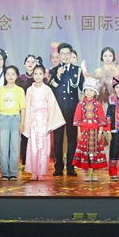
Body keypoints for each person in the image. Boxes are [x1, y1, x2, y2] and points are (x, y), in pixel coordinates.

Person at [23, 64, 66, 181]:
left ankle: (41, 172)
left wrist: (50, 122)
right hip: (33, 121)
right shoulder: (29, 90)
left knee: (43, 147)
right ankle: (33, 172)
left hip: (44, 121)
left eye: (40, 74)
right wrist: (27, 123)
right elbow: (27, 107)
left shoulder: (47, 89)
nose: (38, 76)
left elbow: (52, 106)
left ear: (44, 75)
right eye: (35, 74)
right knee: (33, 146)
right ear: (32, 75)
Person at [49, 43, 85, 177]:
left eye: (67, 53)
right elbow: (51, 88)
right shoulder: (54, 70)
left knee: (72, 138)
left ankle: (71, 166)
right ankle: (58, 167)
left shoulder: (77, 70)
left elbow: (83, 87)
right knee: (57, 139)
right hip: (58, 109)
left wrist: (81, 101)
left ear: (71, 55)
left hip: (72, 109)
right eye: (62, 53)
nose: (65, 56)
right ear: (59, 55)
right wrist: (58, 76)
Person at [72, 78, 108, 181]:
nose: (88, 92)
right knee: (85, 151)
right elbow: (78, 119)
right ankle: (87, 172)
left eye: (91, 90)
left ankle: (94, 171)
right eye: (86, 90)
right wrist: (79, 132)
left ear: (95, 92)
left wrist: (100, 132)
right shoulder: (80, 104)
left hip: (95, 131)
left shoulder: (98, 105)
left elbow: (101, 119)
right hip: (84, 131)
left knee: (94, 151)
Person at [0, 65, 26, 180]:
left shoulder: (20, 90)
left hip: (15, 118)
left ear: (17, 76)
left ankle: (13, 172)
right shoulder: (1, 90)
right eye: (8, 74)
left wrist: (22, 123)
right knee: (3, 147)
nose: (10, 76)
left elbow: (23, 107)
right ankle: (4, 173)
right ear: (5, 76)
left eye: (13, 74)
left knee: (15, 147)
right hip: (3, 118)